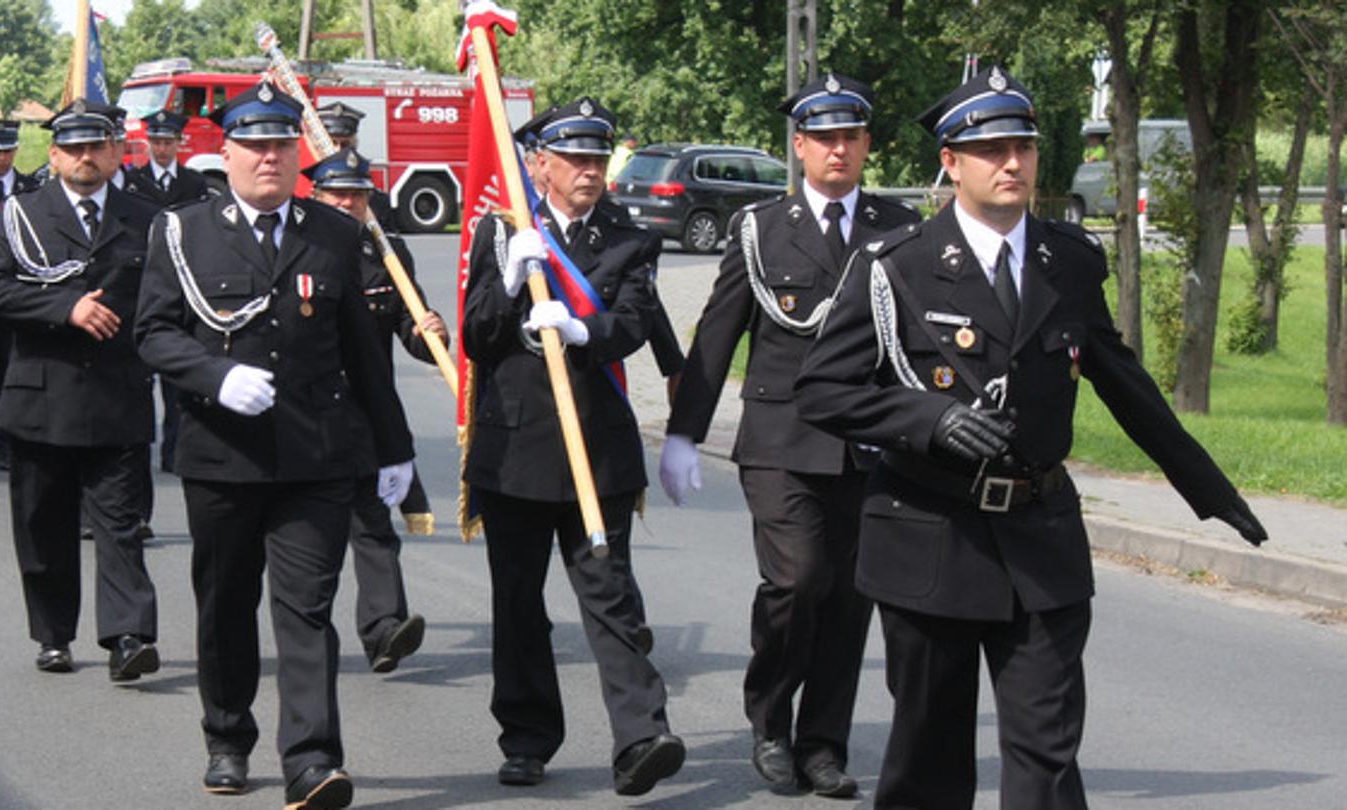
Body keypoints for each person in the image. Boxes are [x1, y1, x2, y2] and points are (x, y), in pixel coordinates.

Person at [793, 67, 1270, 809]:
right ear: (951, 162)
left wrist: (1210, 492)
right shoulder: (898, 266)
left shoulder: (1068, 259)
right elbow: (823, 389)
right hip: (931, 535)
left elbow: (1122, 382)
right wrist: (929, 420)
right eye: (992, 150)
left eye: (1024, 147)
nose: (1013, 163)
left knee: (1047, 750)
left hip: (1040, 537)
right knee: (929, 755)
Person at [136, 81, 416, 810]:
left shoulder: (337, 234)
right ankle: (227, 738)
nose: (269, 158)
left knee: (306, 609)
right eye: (254, 146)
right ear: (224, 152)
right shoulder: (182, 231)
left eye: (281, 146)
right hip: (222, 454)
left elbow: (364, 356)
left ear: (299, 154)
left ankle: (312, 760)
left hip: (315, 457)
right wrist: (216, 375)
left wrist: (395, 450)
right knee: (226, 605)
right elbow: (155, 332)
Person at [659, 72, 920, 798]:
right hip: (781, 439)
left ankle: (824, 745)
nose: (839, 150)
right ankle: (771, 722)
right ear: (799, 145)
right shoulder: (761, 228)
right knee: (799, 580)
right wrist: (684, 436)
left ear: (867, 145)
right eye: (824, 138)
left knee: (849, 596)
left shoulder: (898, 230)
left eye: (851, 137)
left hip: (871, 443)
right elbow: (717, 337)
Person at [460, 97, 684, 796]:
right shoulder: (504, 233)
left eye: (597, 158)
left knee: (610, 594)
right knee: (519, 603)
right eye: (575, 158)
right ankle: (527, 737)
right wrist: (506, 281)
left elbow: (637, 319)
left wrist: (584, 329)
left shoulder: (627, 236)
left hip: (598, 447)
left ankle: (642, 735)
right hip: (516, 448)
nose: (589, 171)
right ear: (540, 164)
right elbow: (476, 337)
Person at [0, 99, 164, 683]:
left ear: (115, 152)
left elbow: (166, 297)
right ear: (54, 155)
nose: (87, 158)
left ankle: (128, 635)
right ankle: (54, 633)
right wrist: (67, 307)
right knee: (43, 522)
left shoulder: (147, 216)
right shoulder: (23, 215)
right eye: (74, 148)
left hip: (117, 394)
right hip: (42, 394)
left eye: (97, 146)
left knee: (120, 523)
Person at [304, 146, 440, 672]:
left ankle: (385, 629)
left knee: (373, 522)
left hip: (365, 411)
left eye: (358, 196)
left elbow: (409, 327)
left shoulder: (387, 253)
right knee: (313, 537)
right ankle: (307, 634)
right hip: (307, 414)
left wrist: (429, 333)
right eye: (338, 194)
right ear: (316, 196)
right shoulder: (296, 245)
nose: (349, 203)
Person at [121, 109, 212, 477]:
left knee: (177, 383)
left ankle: (174, 453)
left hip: (182, 282)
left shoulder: (193, 183)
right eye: (156, 142)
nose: (161, 148)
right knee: (140, 378)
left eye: (168, 142)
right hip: (143, 281)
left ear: (179, 144)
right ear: (147, 143)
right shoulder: (132, 181)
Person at [0, 119, 39, 470]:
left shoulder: (28, 187)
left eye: (7, 151)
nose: (1, 157)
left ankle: (4, 443)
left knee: (9, 369)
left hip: (16, 288)